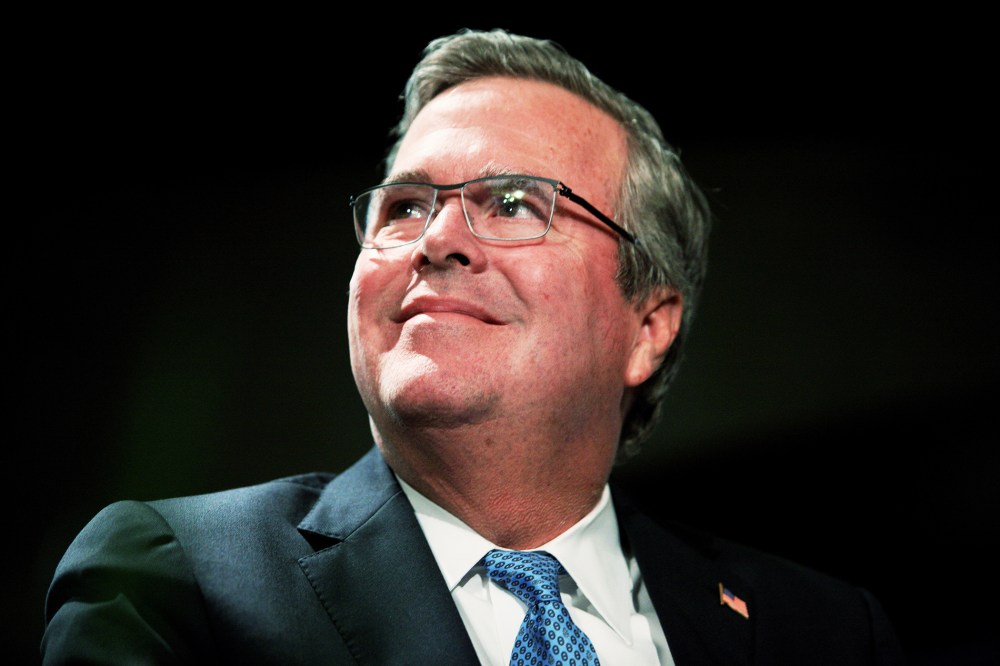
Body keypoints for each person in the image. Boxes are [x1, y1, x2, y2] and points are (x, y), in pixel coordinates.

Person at [41, 29, 904, 665]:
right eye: (404, 206)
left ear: (648, 325)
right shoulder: (177, 584)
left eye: (514, 203)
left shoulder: (823, 633)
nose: (436, 240)